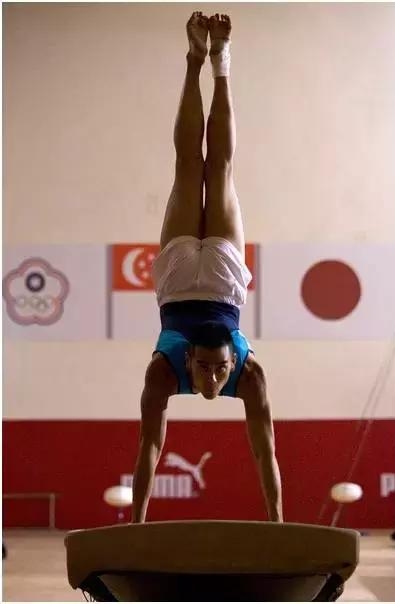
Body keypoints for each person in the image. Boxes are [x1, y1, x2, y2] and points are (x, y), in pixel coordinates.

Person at [132, 12, 283, 524]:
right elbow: (151, 446)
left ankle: (200, 60)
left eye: (219, 369)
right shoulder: (248, 373)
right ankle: (215, 60)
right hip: (222, 280)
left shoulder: (164, 371)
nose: (216, 378)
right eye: (208, 368)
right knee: (215, 169)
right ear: (189, 357)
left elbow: (264, 450)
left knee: (189, 168)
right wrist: (136, 529)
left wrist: (279, 530)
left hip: (178, 281)